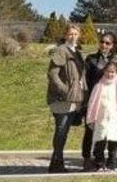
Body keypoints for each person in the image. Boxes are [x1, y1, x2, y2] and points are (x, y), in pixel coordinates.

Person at [46, 24, 87, 173]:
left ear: (79, 35)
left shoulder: (77, 52)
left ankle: (56, 162)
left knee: (64, 131)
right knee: (61, 130)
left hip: (74, 98)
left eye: (76, 34)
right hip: (62, 99)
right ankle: (56, 163)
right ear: (65, 35)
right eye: (70, 34)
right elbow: (52, 74)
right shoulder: (61, 50)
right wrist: (65, 90)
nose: (73, 36)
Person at [81, 32, 117, 171]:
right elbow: (84, 81)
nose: (104, 45)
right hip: (93, 100)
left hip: (110, 102)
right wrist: (84, 101)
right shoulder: (91, 59)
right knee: (90, 131)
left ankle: (107, 159)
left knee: (107, 131)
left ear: (112, 45)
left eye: (108, 43)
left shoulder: (116, 61)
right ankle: (87, 158)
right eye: (102, 42)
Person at [85, 61, 117, 171]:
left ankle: (111, 164)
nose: (110, 74)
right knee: (100, 142)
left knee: (113, 144)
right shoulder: (99, 86)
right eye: (108, 72)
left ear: (116, 73)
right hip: (101, 118)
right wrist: (90, 119)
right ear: (104, 71)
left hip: (115, 118)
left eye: (112, 72)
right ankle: (100, 164)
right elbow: (92, 103)